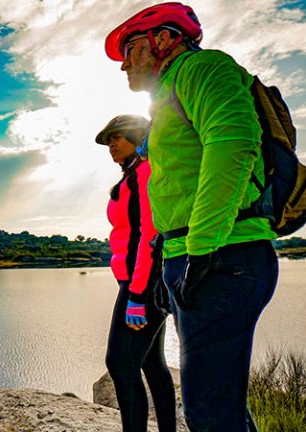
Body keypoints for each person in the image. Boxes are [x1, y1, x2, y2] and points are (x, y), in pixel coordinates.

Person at [105, 3, 279, 431]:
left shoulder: (202, 68)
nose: (124, 63)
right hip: (197, 258)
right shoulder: (166, 97)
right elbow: (174, 191)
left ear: (163, 39)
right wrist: (172, 255)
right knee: (222, 407)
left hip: (223, 258)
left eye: (131, 48)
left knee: (209, 412)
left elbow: (235, 143)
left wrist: (201, 249)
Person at [96, 114, 176, 432]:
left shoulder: (145, 172)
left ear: (138, 136)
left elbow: (150, 234)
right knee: (151, 363)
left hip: (143, 283)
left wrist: (138, 294)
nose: (111, 144)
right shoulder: (132, 174)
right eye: (108, 140)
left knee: (120, 364)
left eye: (117, 136)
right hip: (140, 281)